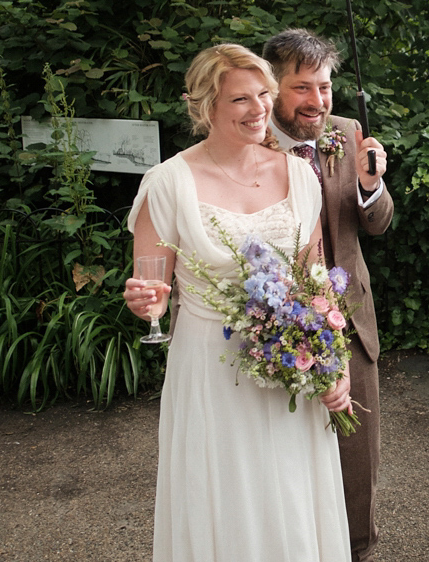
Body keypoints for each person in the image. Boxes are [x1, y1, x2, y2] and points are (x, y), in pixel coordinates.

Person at [123, 44, 352, 561]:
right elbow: (149, 286)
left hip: (292, 366)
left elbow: (314, 281)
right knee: (226, 497)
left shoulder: (297, 175)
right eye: (240, 99)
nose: (258, 109)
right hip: (212, 371)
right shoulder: (168, 184)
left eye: (264, 95)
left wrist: (334, 364)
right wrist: (146, 302)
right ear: (206, 106)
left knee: (292, 497)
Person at [261, 29, 393, 562]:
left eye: (325, 87)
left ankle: (358, 550)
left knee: (357, 461)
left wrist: (370, 184)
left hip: (352, 324)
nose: (317, 102)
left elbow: (378, 225)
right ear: (271, 89)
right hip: (276, 327)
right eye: (302, 88)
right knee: (284, 461)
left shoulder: (347, 133)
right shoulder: (252, 142)